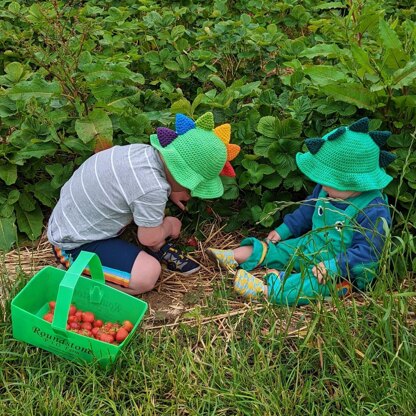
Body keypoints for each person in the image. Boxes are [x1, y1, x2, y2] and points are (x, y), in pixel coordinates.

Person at [207, 117, 396, 306]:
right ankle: (236, 255)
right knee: (281, 249)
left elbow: (369, 252)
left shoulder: (373, 209)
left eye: (329, 181)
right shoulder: (326, 190)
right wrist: (285, 230)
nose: (322, 185)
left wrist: (335, 265)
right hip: (310, 246)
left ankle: (267, 290)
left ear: (353, 181)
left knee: (315, 286)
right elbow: (306, 211)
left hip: (341, 270)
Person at [48, 112, 240, 295]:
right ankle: (77, 280)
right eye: (191, 185)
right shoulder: (152, 189)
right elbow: (149, 238)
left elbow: (135, 185)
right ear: (183, 175)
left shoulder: (142, 153)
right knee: (148, 274)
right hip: (72, 245)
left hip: (68, 220)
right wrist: (168, 226)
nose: (190, 191)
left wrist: (173, 189)